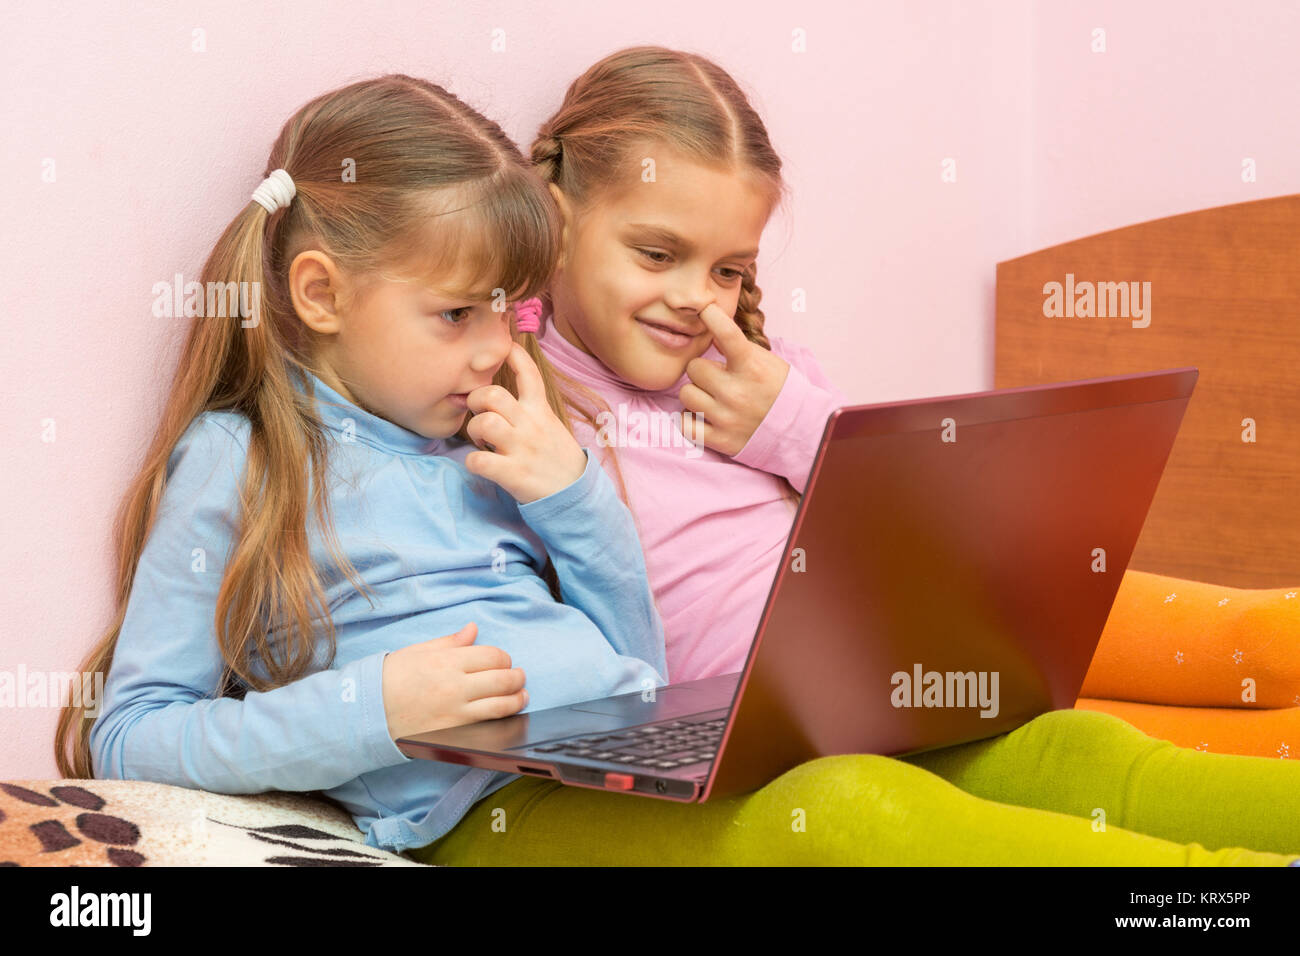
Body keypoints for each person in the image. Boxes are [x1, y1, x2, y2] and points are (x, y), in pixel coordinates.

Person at [408, 46, 1300, 866]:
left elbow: (923, 524)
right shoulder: (506, 397)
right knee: (881, 805)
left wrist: (796, 424)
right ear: (554, 221)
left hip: (886, 682)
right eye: (656, 254)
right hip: (748, 734)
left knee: (1083, 745)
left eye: (727, 269)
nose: (694, 299)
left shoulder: (754, 372)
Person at [53, 74, 668, 857]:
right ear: (322, 295)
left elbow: (644, 683)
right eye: (456, 313)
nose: (496, 349)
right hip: (490, 807)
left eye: (509, 311)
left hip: (618, 769)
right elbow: (132, 736)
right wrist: (371, 710)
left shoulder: (499, 440)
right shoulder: (240, 460)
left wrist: (576, 497)